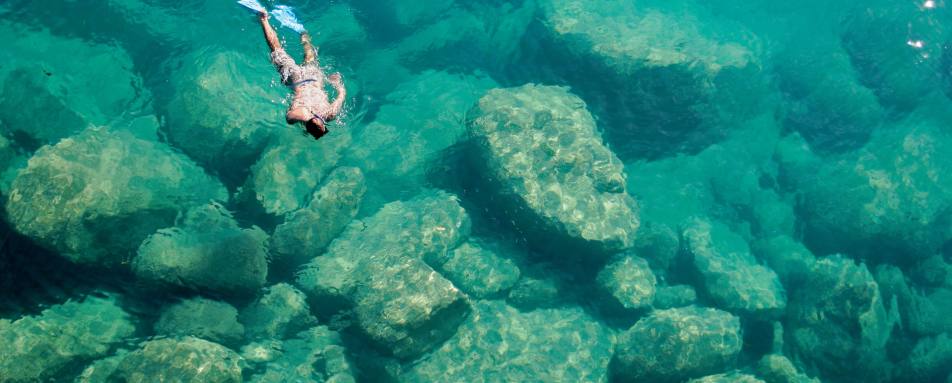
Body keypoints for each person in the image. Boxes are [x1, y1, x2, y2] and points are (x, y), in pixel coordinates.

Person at [257, 11, 345, 140]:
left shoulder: (330, 114)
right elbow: (290, 116)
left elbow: (342, 94)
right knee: (276, 51)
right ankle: (264, 19)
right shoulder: (296, 116)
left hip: (314, 78)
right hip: (296, 80)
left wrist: (336, 84)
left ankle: (304, 35)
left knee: (310, 58)